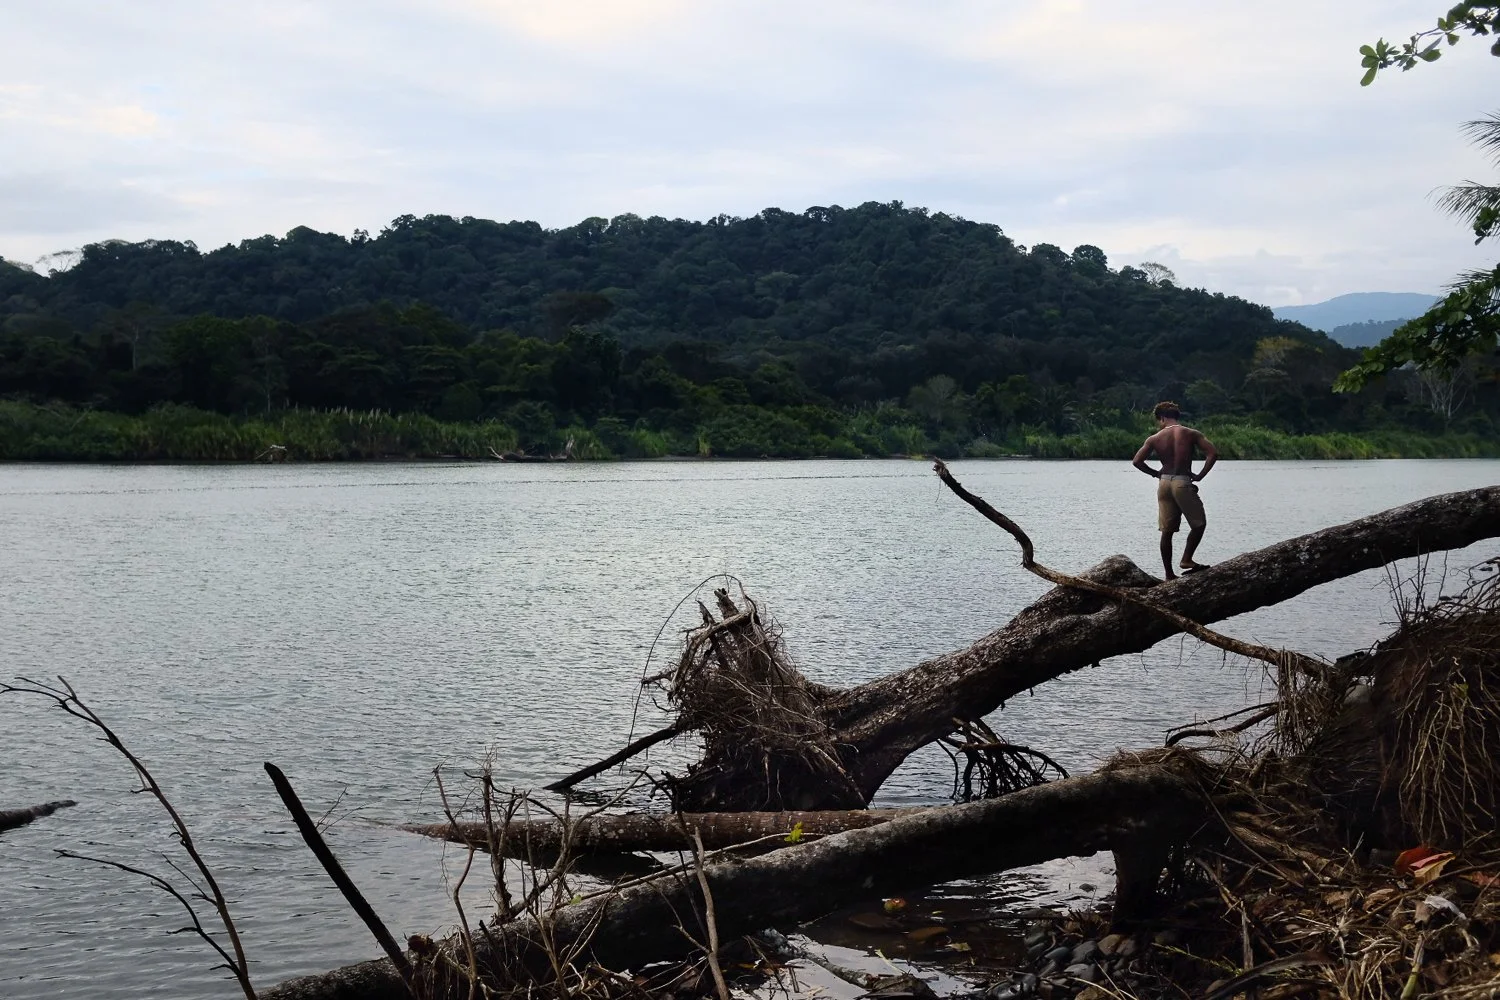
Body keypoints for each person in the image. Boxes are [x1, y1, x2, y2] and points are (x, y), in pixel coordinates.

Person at [1132, 401, 1218, 580]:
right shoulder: (1191, 433)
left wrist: (1156, 474)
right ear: (1175, 416)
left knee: (1167, 531)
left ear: (1162, 418)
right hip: (1182, 481)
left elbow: (1137, 461)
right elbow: (1212, 453)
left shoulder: (1154, 438)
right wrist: (1200, 475)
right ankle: (1186, 559)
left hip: (1164, 484)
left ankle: (1169, 574)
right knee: (1199, 524)